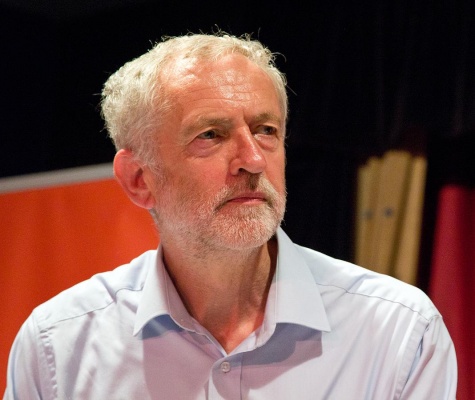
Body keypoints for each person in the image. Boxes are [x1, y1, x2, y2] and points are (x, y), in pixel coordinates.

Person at [5, 32, 457, 399]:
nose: (253, 160)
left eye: (266, 131)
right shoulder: (58, 345)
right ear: (140, 179)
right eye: (211, 135)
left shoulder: (397, 331)